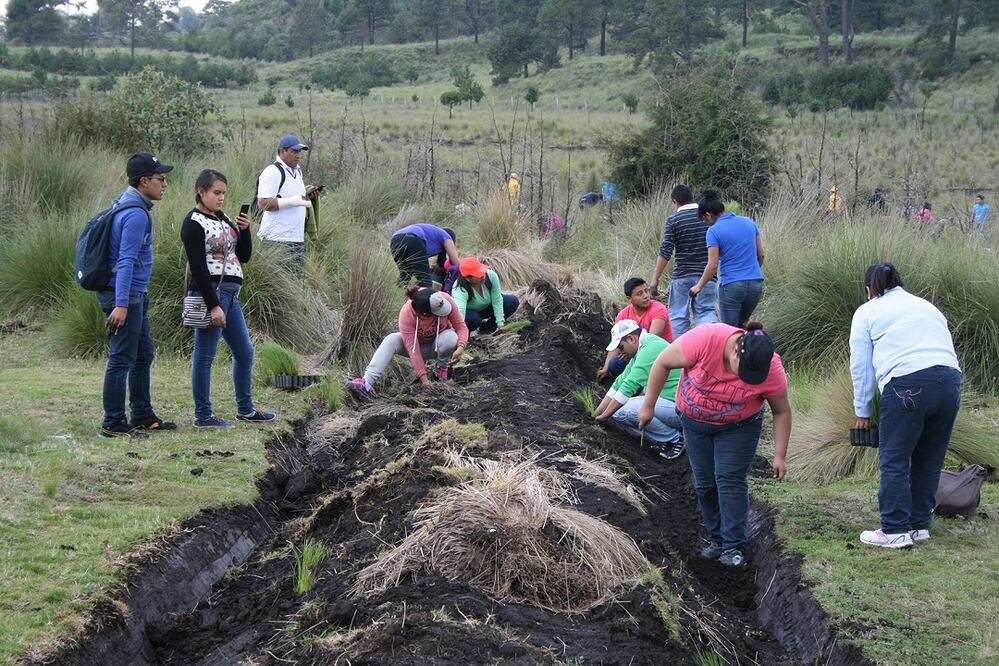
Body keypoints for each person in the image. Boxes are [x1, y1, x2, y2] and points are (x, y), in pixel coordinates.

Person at [638, 322, 791, 567]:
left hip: (738, 428)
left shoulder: (771, 368)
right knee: (704, 483)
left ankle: (733, 547)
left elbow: (782, 411)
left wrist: (779, 455)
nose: (747, 379)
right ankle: (716, 540)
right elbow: (662, 363)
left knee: (729, 480)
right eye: (745, 371)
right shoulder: (706, 339)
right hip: (693, 423)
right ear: (734, 352)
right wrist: (648, 406)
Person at [849, 264, 961, 549]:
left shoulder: (867, 311)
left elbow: (861, 368)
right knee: (929, 458)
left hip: (907, 385)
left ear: (868, 290)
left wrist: (862, 411)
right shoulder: (926, 306)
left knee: (895, 458)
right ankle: (918, 525)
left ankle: (895, 529)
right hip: (950, 382)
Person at [182, 169, 275, 429]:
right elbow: (199, 268)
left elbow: (243, 255)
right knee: (205, 354)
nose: (221, 198)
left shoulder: (223, 219)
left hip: (231, 295)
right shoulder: (193, 222)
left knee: (244, 351)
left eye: (224, 193)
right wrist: (213, 305)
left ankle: (245, 409)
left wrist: (244, 231)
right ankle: (203, 415)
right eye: (216, 193)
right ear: (201, 191)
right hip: (212, 292)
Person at [97, 152, 177, 439]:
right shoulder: (135, 215)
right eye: (160, 178)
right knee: (121, 358)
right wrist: (120, 304)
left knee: (144, 354)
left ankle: (142, 415)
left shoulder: (126, 203)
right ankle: (113, 423)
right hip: (126, 295)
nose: (164, 184)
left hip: (134, 294)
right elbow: (126, 261)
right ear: (144, 181)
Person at [347, 287, 469, 401]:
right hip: (417, 348)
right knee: (391, 339)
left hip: (438, 345)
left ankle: (441, 369)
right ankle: (366, 383)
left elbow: (461, 326)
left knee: (451, 338)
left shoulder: (443, 299)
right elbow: (413, 350)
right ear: (425, 313)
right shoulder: (406, 314)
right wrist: (425, 381)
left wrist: (461, 347)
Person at [594, 320, 685, 460]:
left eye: (621, 347)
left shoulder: (650, 348)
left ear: (631, 338)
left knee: (628, 409)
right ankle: (663, 439)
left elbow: (629, 385)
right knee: (619, 412)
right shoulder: (641, 348)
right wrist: (597, 413)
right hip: (665, 405)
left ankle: (676, 439)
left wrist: (604, 417)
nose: (620, 352)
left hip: (679, 408)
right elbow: (620, 382)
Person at [689, 190, 765, 328]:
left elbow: (712, 265)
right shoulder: (749, 222)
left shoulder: (713, 231)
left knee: (729, 331)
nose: (705, 223)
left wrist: (698, 286)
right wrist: (751, 272)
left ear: (708, 215)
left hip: (732, 286)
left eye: (704, 220)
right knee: (743, 325)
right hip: (755, 284)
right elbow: (761, 255)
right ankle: (748, 348)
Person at [651, 184, 718, 338]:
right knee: (706, 314)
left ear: (676, 202)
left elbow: (666, 250)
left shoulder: (673, 220)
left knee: (678, 317)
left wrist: (655, 280)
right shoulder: (707, 217)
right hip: (706, 276)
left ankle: (679, 357)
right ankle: (707, 350)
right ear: (691, 197)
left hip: (681, 275)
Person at [256, 134, 321, 268]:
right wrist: (292, 201)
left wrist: (308, 197)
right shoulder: (272, 172)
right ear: (282, 151)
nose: (298, 155)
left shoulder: (298, 172)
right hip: (276, 239)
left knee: (297, 283)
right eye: (294, 151)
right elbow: (263, 203)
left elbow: (296, 200)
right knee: (276, 286)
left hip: (296, 238)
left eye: (299, 152)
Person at [597, 277, 672, 381]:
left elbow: (652, 340)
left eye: (646, 291)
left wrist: (631, 353)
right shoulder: (623, 315)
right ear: (629, 298)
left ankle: (638, 385)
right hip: (636, 355)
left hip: (659, 354)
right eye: (639, 293)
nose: (646, 296)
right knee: (614, 364)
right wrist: (605, 368)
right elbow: (616, 342)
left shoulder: (658, 309)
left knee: (642, 365)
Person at [450, 257, 520, 334]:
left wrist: (500, 324)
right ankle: (467, 334)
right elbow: (460, 312)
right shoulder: (459, 289)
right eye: (478, 274)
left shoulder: (491, 276)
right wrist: (461, 335)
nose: (483, 275)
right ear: (468, 278)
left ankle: (487, 329)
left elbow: (497, 300)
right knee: (474, 319)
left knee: (512, 302)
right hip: (470, 314)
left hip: (486, 308)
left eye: (482, 271)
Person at [390, 222, 459, 288]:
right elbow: (457, 265)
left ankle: (396, 294)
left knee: (405, 276)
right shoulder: (447, 237)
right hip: (411, 238)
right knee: (426, 282)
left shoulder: (435, 235)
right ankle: (424, 299)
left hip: (395, 240)